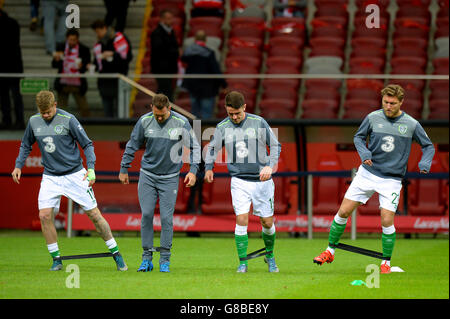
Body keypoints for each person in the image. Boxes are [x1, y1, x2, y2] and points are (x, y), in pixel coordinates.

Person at [313, 84, 435, 274]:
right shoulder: (372, 117)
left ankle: (385, 263)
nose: (388, 106)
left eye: (393, 103)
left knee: (386, 220)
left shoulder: (411, 124)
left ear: (401, 102)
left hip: (392, 180)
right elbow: (358, 138)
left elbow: (428, 146)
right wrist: (364, 153)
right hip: (368, 173)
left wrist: (425, 163)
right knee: (343, 211)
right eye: (385, 102)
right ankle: (329, 251)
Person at [11, 90, 127, 271]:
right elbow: (26, 144)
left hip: (75, 175)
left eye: (48, 111)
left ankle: (116, 254)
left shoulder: (69, 119)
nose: (46, 115)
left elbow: (87, 144)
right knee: (44, 216)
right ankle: (56, 260)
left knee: (95, 215)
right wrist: (18, 165)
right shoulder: (34, 121)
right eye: (43, 113)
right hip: (50, 176)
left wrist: (91, 169)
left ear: (55, 104)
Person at [119, 93, 200, 273]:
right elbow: (132, 144)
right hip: (147, 175)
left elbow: (195, 147)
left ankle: (165, 260)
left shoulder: (181, 122)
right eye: (157, 114)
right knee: (147, 214)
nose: (160, 117)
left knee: (165, 218)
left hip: (170, 178)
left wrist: (193, 171)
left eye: (163, 114)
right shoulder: (144, 121)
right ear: (151, 109)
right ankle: (146, 259)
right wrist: (124, 168)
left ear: (169, 108)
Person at [204, 91, 282, 273]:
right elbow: (212, 149)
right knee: (241, 219)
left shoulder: (259, 122)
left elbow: (276, 145)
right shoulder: (222, 127)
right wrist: (209, 168)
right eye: (230, 113)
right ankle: (243, 262)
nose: (234, 117)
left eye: (237, 113)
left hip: (262, 181)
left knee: (267, 223)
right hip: (239, 180)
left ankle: (269, 256)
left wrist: (270, 166)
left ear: (244, 107)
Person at [181, 30, 227, 119]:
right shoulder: (209, 53)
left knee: (194, 114)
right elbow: (215, 70)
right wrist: (224, 84)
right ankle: (205, 132)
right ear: (205, 40)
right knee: (206, 114)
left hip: (193, 87)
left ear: (195, 39)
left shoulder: (187, 53)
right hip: (207, 88)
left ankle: (196, 132)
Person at [91, 19, 133, 117]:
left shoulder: (119, 39)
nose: (97, 34)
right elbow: (97, 63)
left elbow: (127, 58)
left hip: (119, 81)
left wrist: (113, 55)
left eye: (98, 31)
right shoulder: (99, 44)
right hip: (104, 82)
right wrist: (91, 66)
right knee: (107, 112)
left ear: (105, 28)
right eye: (96, 32)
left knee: (121, 112)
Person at [52, 28, 91, 117]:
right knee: (61, 110)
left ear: (77, 39)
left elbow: (87, 66)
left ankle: (86, 128)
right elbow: (54, 65)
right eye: (70, 40)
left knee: (84, 108)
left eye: (74, 40)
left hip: (78, 83)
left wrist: (83, 66)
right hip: (63, 83)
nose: (72, 42)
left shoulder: (84, 49)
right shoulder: (61, 47)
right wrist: (56, 59)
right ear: (66, 39)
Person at [0, 8, 25, 130]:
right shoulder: (13, 22)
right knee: (5, 96)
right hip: (10, 66)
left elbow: (12, 45)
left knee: (15, 96)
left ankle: (18, 121)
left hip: (12, 66)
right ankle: (8, 120)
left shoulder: (11, 23)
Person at [150, 9, 179, 101]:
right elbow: (160, 50)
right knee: (165, 91)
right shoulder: (157, 33)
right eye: (168, 18)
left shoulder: (171, 31)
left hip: (169, 68)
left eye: (171, 18)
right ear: (162, 19)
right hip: (161, 68)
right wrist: (176, 52)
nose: (171, 21)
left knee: (166, 91)